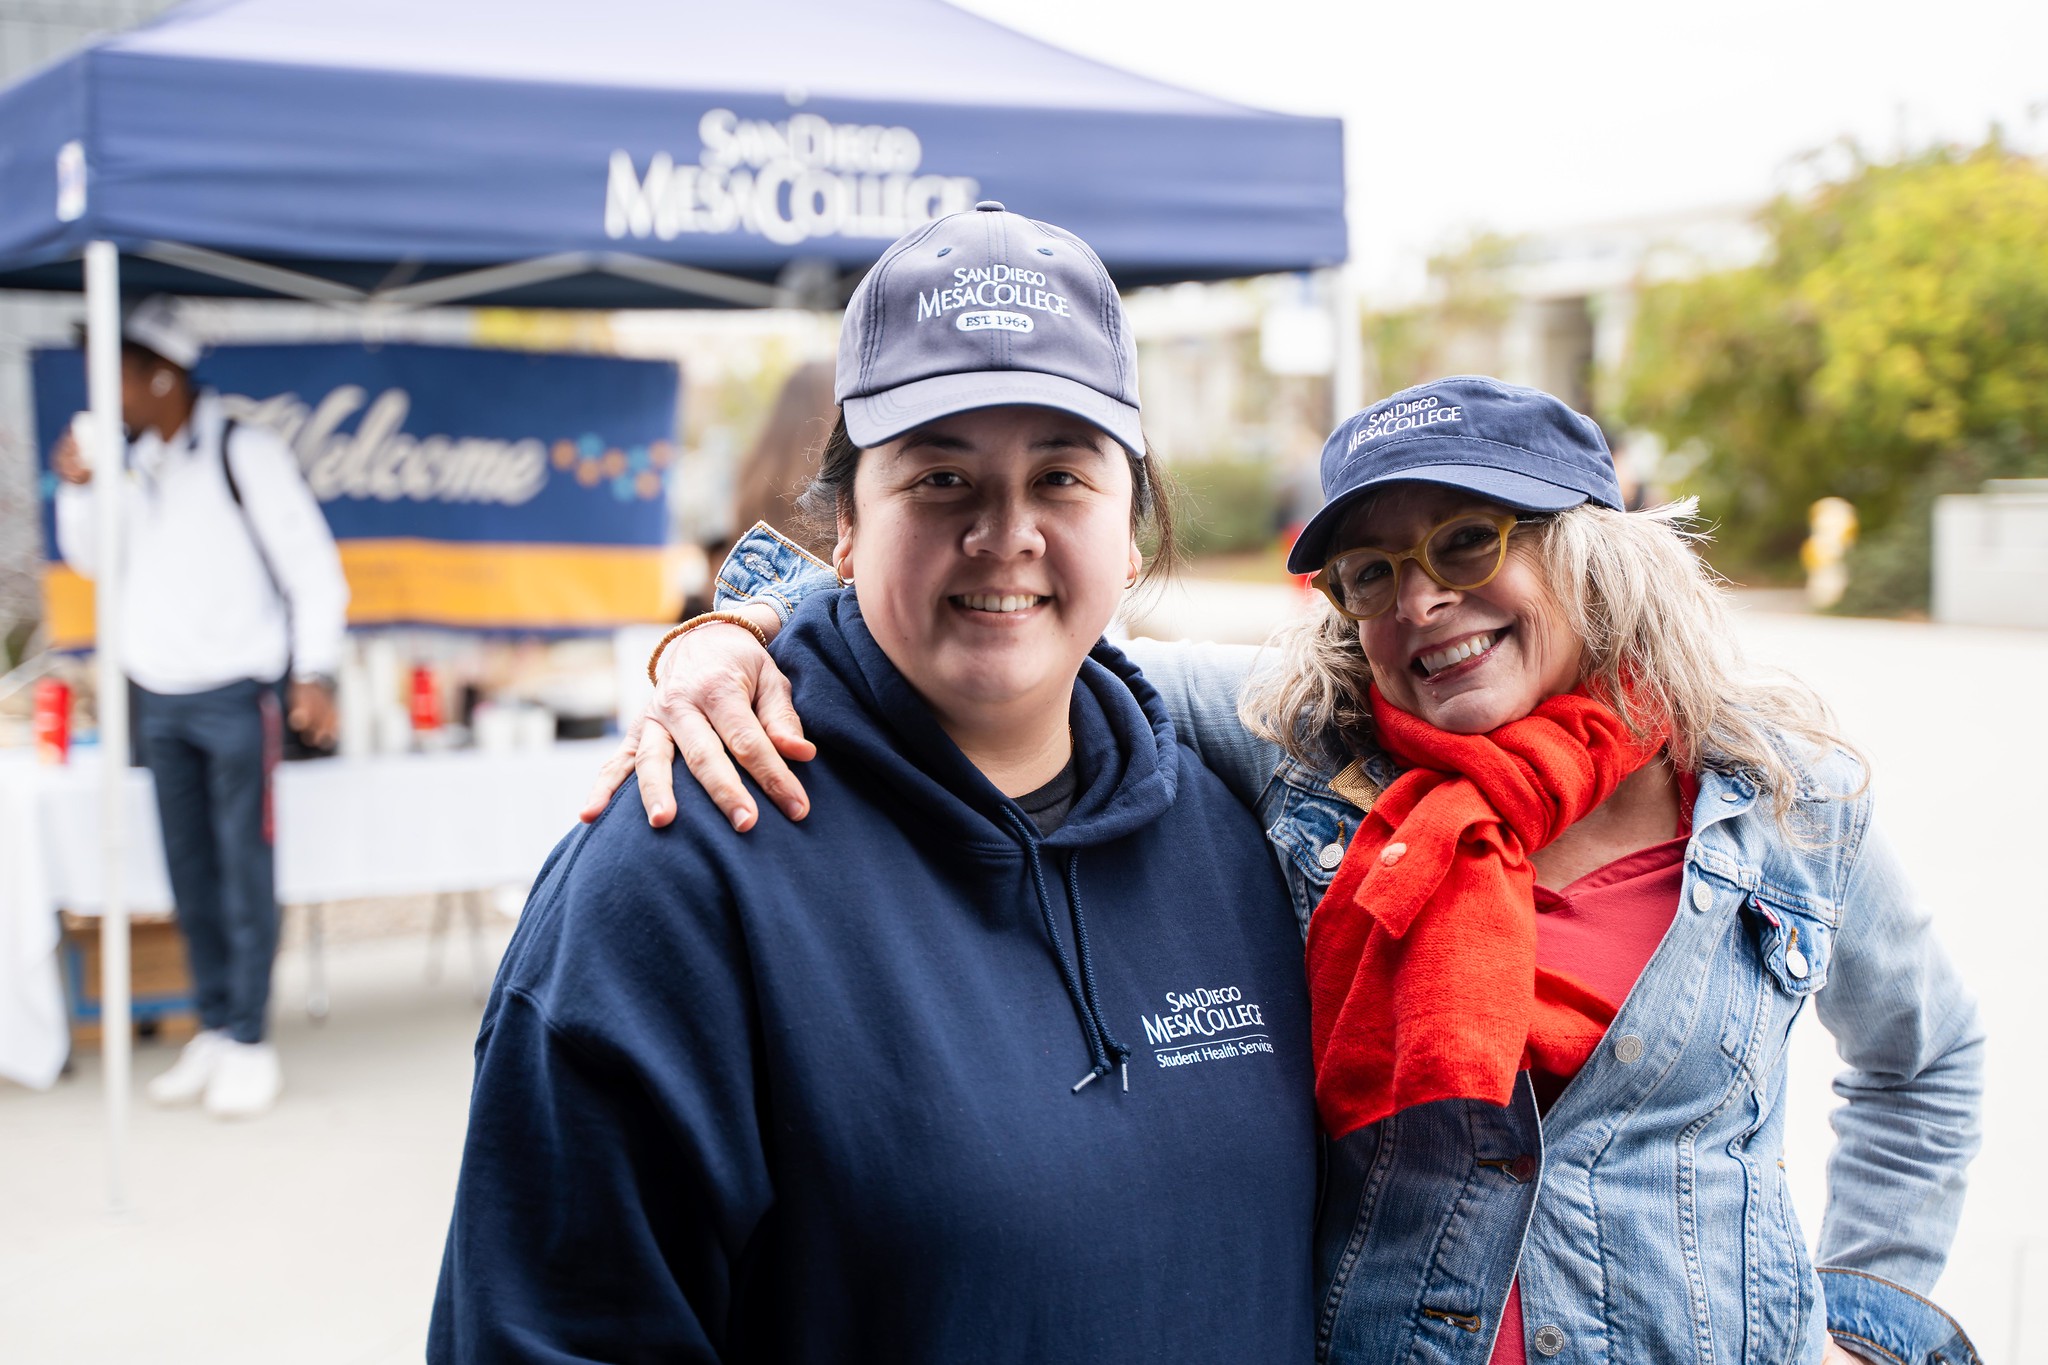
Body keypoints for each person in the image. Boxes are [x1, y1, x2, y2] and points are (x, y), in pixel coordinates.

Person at [598, 375, 1984, 1364]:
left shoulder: (1779, 804)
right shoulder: (1301, 746)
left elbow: (1925, 1062)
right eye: (1369, 572)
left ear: (1586, 548)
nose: (1418, 601)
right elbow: (1006, 612)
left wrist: (1861, 1316)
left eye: (1466, 544)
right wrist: (728, 629)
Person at [431, 203, 1319, 1363]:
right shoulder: (674, 878)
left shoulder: (1244, 836)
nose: (1005, 532)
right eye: (941, 478)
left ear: (1133, 529)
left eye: (1060, 476)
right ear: (842, 527)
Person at [52, 296, 348, 1119]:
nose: (102, 386)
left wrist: (314, 671)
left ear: (159, 372)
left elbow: (313, 569)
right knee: (186, 870)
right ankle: (216, 1023)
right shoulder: (129, 458)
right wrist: (79, 487)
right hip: (157, 695)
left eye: (115, 367)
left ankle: (251, 1038)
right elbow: (88, 556)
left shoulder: (240, 451)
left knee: (242, 869)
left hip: (236, 694)